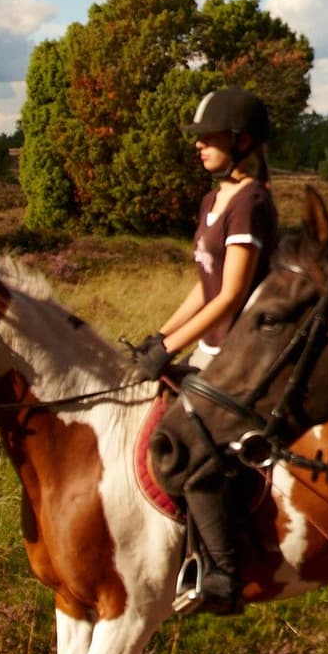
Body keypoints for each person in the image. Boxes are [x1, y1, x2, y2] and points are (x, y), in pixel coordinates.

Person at [136, 86, 280, 614]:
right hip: (209, 351)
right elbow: (204, 282)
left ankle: (222, 572)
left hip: (242, 357)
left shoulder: (251, 203)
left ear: (241, 141)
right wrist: (160, 336)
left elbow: (231, 295)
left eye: (210, 138)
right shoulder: (211, 201)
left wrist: (173, 345)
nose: (200, 147)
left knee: (194, 449)